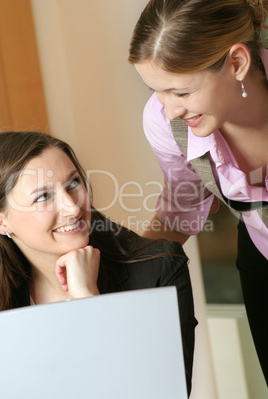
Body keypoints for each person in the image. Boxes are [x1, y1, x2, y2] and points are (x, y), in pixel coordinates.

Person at [128, 0, 268, 384]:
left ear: (237, 63)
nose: (169, 108)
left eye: (181, 92)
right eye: (156, 90)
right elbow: (182, 208)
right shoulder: (166, 123)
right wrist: (121, 273)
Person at [0, 131, 197, 395]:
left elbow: (162, 393)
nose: (72, 208)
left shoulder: (159, 268)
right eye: (43, 197)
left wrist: (89, 301)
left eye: (73, 183)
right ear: (3, 222)